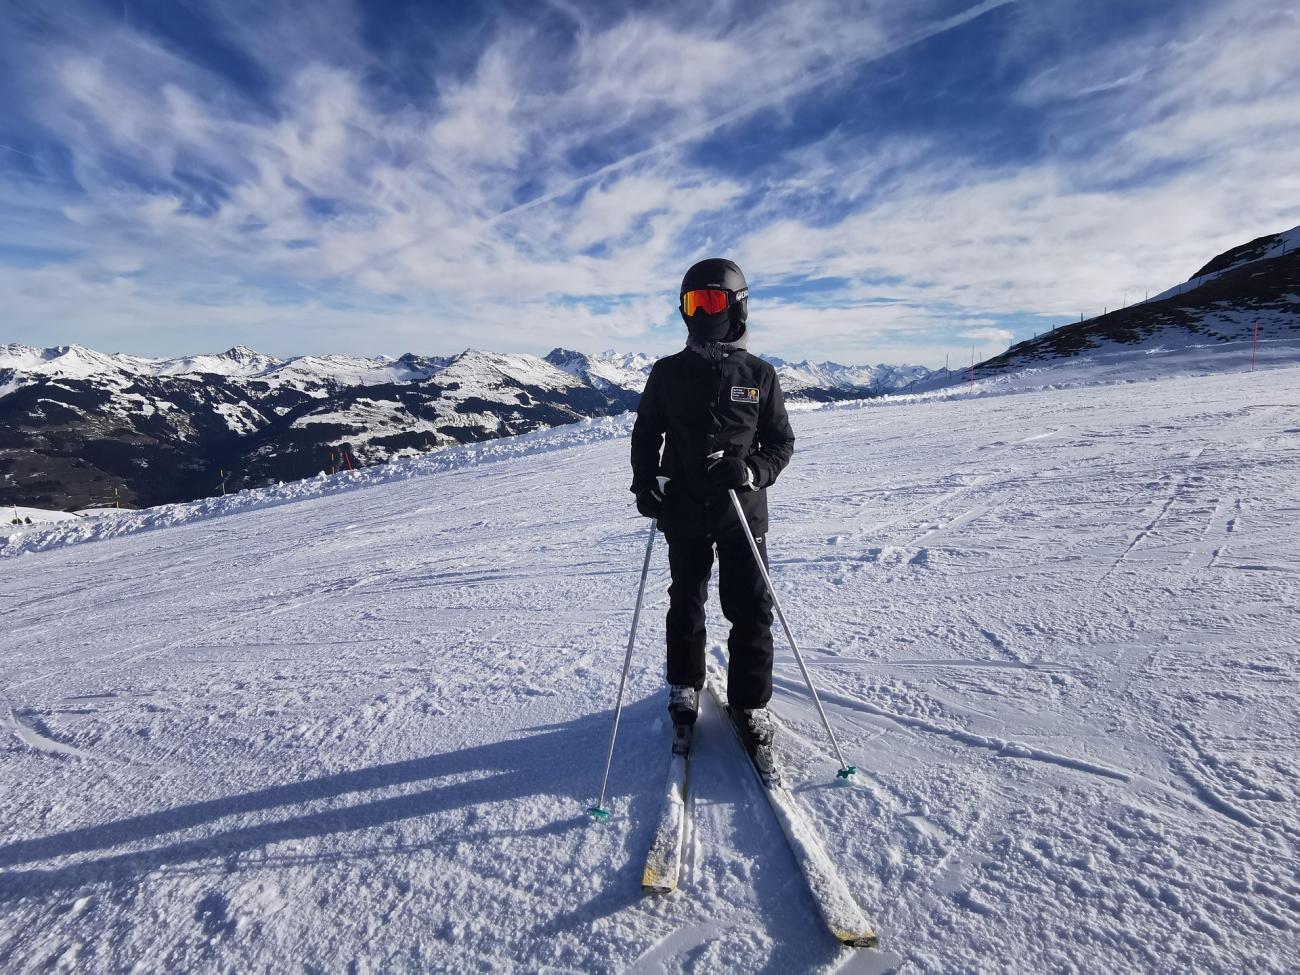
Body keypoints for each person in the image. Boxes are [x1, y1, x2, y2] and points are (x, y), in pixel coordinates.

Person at [629, 258, 795, 777]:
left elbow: (780, 444)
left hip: (740, 512)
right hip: (683, 508)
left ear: (737, 304)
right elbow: (646, 433)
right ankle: (684, 685)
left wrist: (750, 473)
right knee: (686, 601)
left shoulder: (759, 375)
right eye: (693, 304)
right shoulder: (668, 373)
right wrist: (647, 482)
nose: (703, 313)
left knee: (749, 607)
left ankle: (750, 702)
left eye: (713, 302)